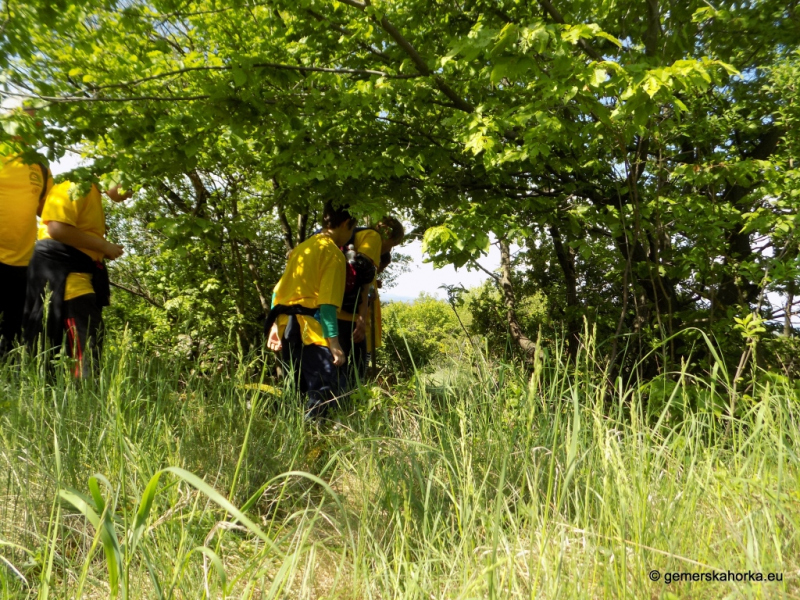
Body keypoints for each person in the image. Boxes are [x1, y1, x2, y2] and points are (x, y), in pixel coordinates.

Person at [23, 180, 128, 377]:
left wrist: (98, 249)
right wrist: (103, 246)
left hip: (79, 274)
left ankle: (78, 399)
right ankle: (85, 398)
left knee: (89, 342)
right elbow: (56, 228)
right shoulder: (77, 184)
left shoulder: (93, 194)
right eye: (130, 184)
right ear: (113, 172)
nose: (131, 192)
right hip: (65, 278)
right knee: (85, 345)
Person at [265, 201, 356, 418]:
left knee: (295, 391)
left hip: (288, 328)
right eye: (352, 229)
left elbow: (278, 291)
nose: (351, 235)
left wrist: (275, 328)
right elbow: (327, 304)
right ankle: (317, 443)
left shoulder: (302, 249)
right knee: (323, 395)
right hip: (312, 333)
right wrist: (334, 343)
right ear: (345, 223)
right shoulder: (333, 254)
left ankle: (294, 441)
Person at [0, 110, 53, 354]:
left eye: (40, 120)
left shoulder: (40, 166)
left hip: (21, 264)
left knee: (11, 336)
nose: (39, 124)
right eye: (32, 117)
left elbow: (50, 211)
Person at [337, 216, 404, 382]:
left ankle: (342, 404)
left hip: (338, 309)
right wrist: (361, 317)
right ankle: (349, 405)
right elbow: (362, 274)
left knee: (341, 370)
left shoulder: (355, 236)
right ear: (387, 233)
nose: (389, 250)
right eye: (393, 244)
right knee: (356, 372)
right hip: (352, 317)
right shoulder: (373, 238)